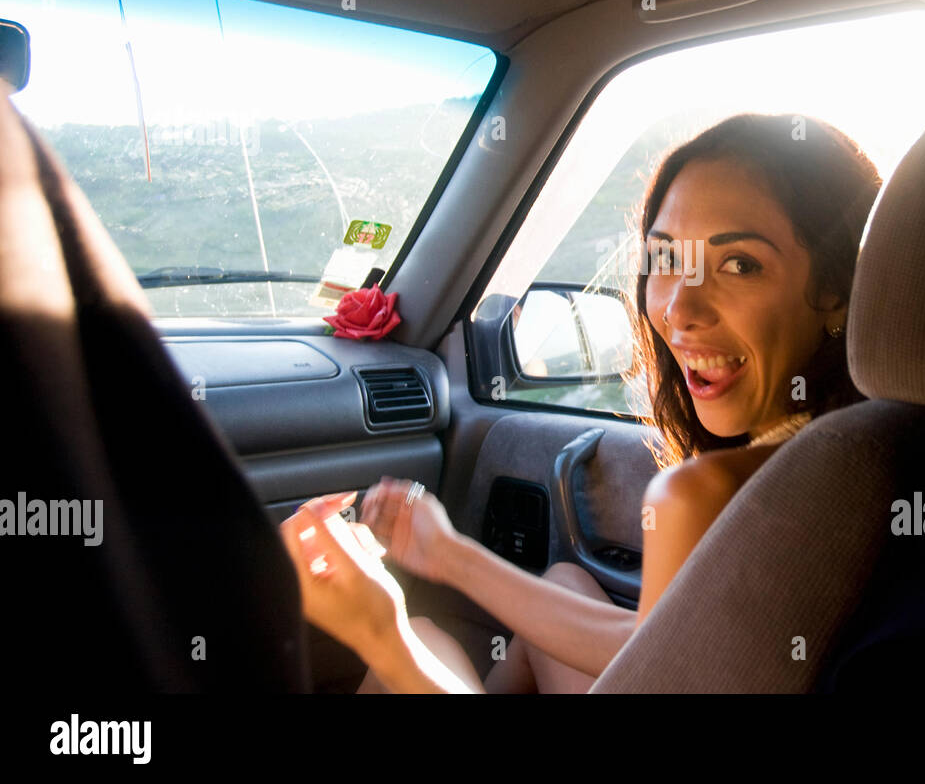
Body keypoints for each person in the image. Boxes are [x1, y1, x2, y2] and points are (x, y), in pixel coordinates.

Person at [279, 113, 884, 692]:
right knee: (565, 579)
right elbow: (659, 646)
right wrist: (448, 554)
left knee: (419, 640)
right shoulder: (884, 447)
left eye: (739, 263)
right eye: (667, 258)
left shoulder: (705, 494)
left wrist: (377, 630)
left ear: (835, 288)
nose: (678, 310)